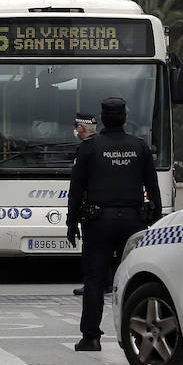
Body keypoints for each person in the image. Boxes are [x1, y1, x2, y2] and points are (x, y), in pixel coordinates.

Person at [66, 96, 161, 351]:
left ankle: (91, 337)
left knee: (95, 280)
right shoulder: (139, 147)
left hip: (98, 222)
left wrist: (71, 222)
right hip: (133, 220)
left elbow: (76, 189)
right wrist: (156, 218)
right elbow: (153, 187)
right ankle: (135, 334)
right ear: (126, 119)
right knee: (133, 277)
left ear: (102, 120)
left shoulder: (89, 147)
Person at [71, 111, 97, 296]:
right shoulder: (102, 146)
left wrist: (71, 219)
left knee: (92, 250)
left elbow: (78, 184)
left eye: (76, 126)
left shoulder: (86, 148)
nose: (75, 130)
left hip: (91, 206)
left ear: (81, 127)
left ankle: (92, 284)